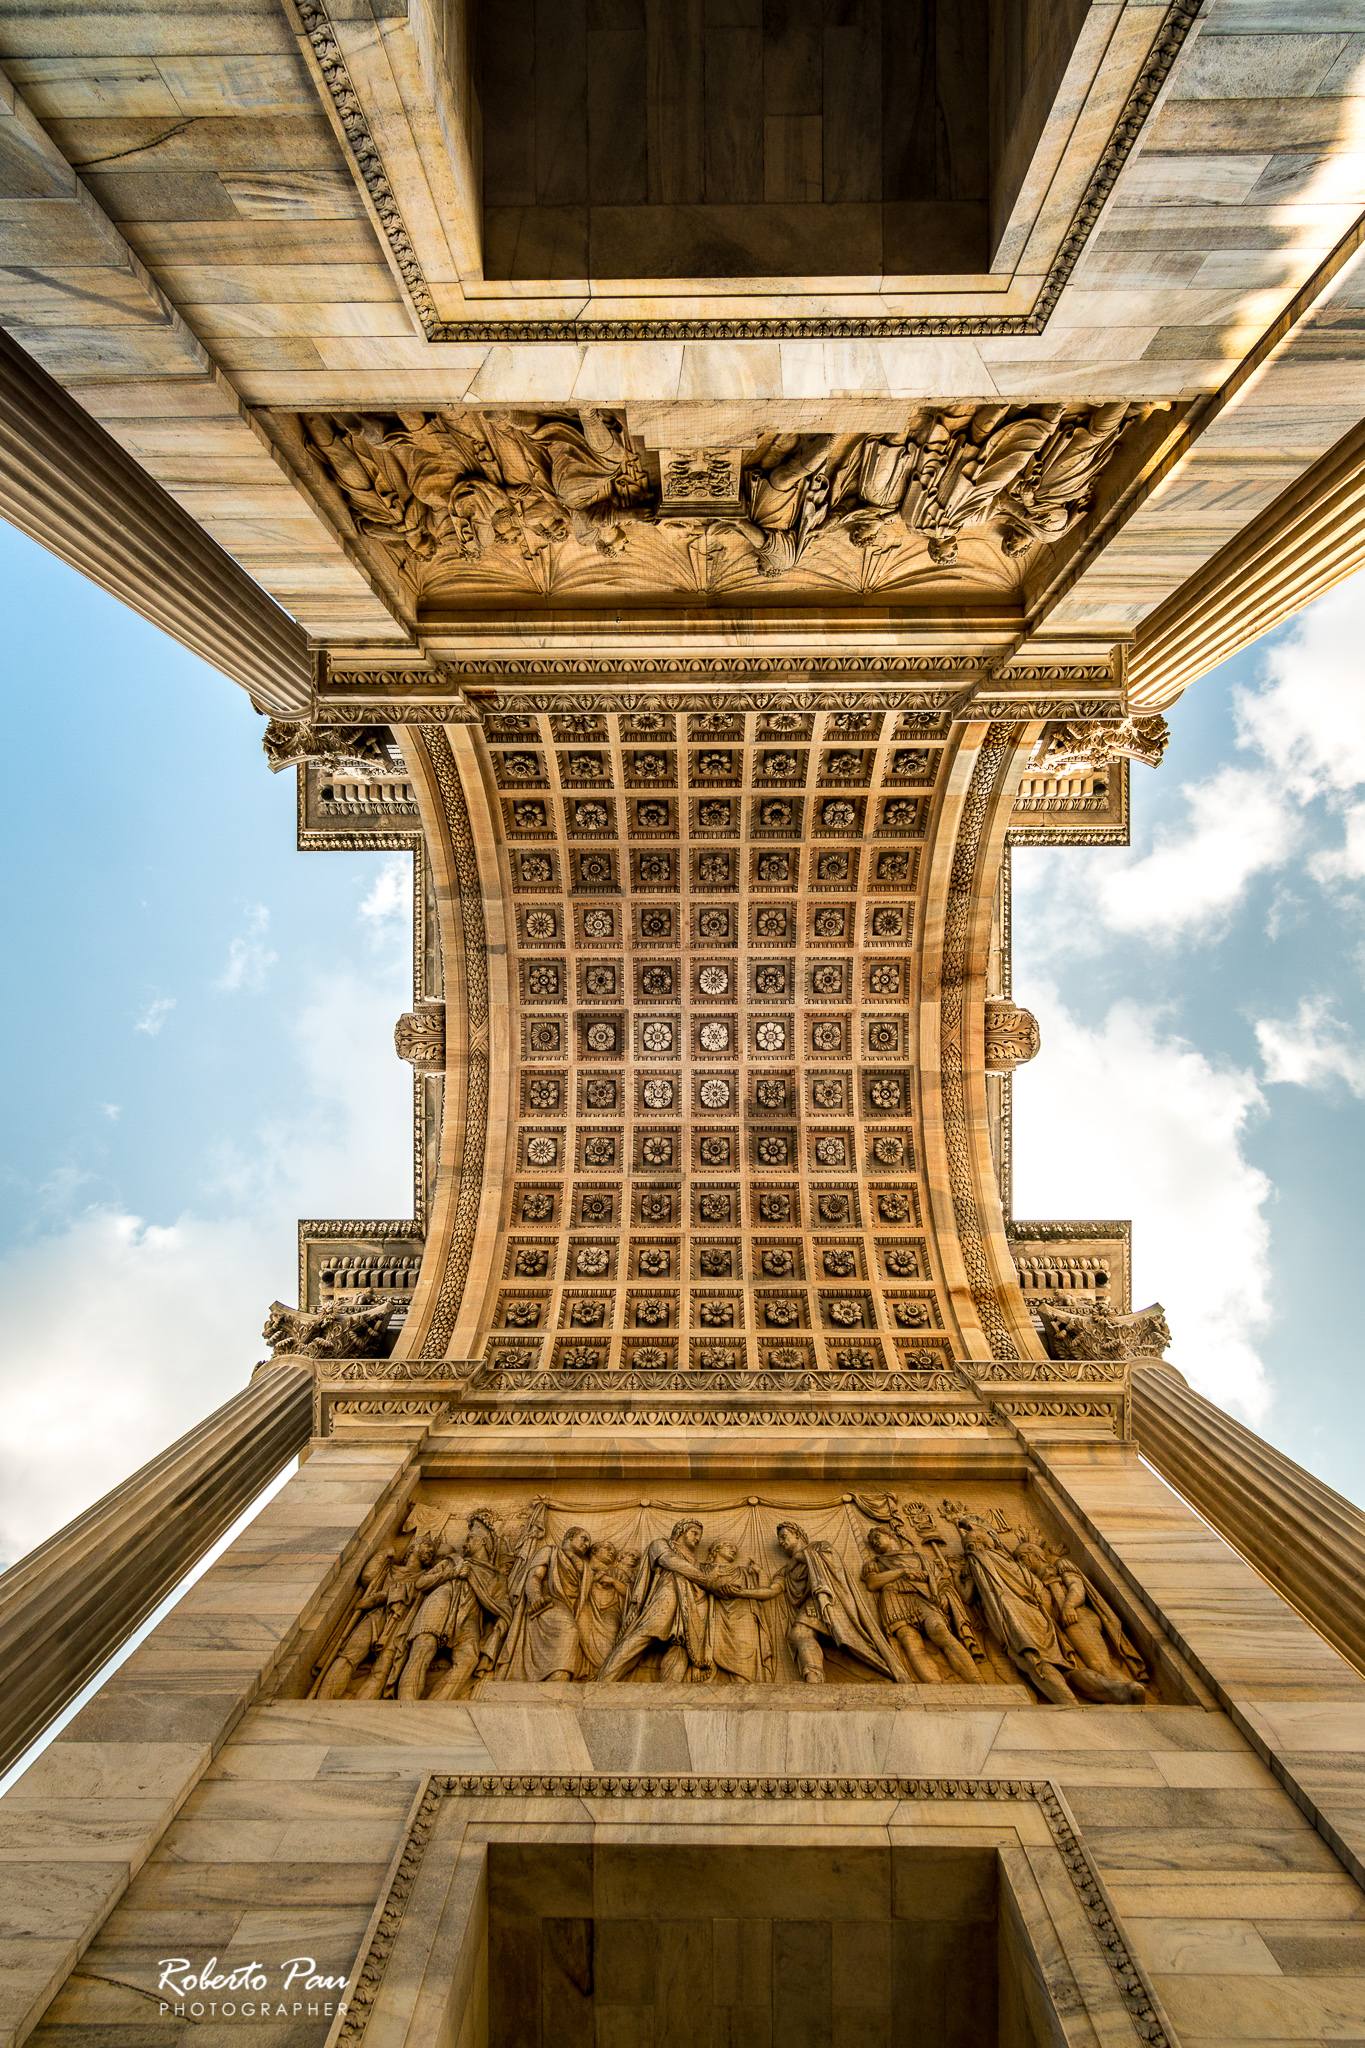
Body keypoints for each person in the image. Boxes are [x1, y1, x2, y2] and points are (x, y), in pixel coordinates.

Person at [772, 1522, 910, 1684]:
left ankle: (814, 1677)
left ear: (797, 1534)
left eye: (784, 1537)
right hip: (813, 1604)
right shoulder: (787, 1569)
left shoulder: (819, 1548)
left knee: (801, 1633)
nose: (781, 1543)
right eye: (780, 1540)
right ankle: (816, 1676)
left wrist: (800, 1557)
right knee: (801, 1634)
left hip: (828, 1600)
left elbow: (832, 1566)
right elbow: (773, 1589)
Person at [597, 1519, 717, 1682]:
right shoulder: (661, 1544)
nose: (698, 1539)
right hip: (668, 1593)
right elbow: (669, 1561)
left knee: (681, 1643)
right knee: (645, 1633)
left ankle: (670, 1690)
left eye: (700, 1536)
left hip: (690, 1602)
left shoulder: (695, 1562)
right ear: (681, 1531)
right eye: (694, 1533)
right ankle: (604, 1678)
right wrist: (708, 1581)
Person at [861, 1528, 982, 1684]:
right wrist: (902, 1571)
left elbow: (941, 1581)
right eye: (872, 1542)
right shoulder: (874, 1563)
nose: (875, 1543)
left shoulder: (920, 1558)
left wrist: (945, 1597)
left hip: (924, 1597)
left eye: (877, 1537)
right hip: (894, 1599)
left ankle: (976, 1681)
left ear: (891, 1536)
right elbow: (872, 1583)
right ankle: (934, 1685)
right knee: (910, 1642)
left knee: (940, 1631)